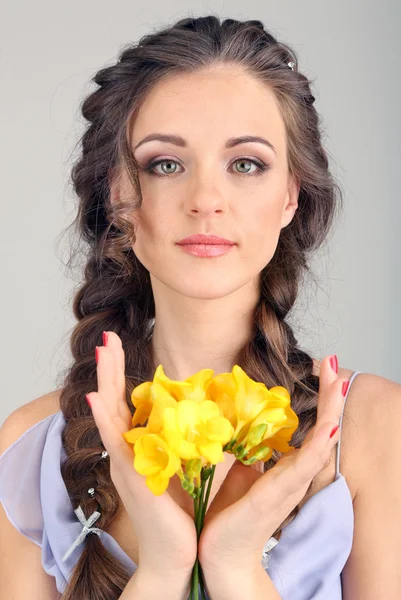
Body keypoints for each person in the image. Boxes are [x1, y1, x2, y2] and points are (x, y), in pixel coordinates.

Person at [1, 14, 400, 600]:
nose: (206, 200)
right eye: (166, 164)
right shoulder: (34, 445)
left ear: (290, 194)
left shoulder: (373, 430)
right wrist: (162, 570)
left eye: (246, 164)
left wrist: (235, 567)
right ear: (118, 194)